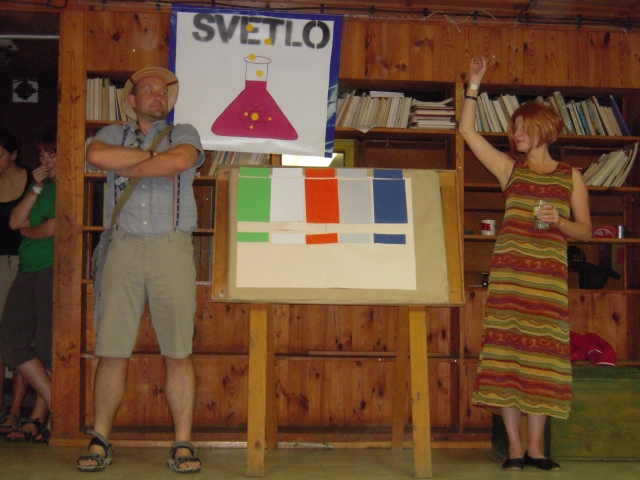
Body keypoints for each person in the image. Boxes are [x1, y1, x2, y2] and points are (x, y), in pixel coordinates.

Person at [459, 57, 592, 471]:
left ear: (544, 129)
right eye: (513, 128)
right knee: (506, 362)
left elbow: (586, 231)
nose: (515, 134)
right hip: (510, 285)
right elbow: (466, 131)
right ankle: (515, 450)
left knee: (542, 365)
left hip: (548, 288)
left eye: (522, 127)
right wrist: (474, 84)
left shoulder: (570, 176)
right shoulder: (509, 170)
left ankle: (537, 450)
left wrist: (561, 222)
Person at [78, 67, 204, 473]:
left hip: (172, 245)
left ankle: (182, 443)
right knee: (111, 349)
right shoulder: (111, 133)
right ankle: (100, 439)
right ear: (131, 101)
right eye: (148, 90)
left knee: (179, 351)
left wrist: (132, 164)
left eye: (162, 91)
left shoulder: (184, 133)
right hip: (123, 246)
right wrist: (155, 160)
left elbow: (181, 160)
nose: (157, 95)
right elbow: (97, 156)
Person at [0, 128, 58, 443]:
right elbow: (13, 221)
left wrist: (27, 231)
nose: (45, 161)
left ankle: (41, 417)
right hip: (27, 267)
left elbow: (51, 228)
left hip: (52, 268)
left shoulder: (68, 185)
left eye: (52, 154)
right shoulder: (42, 186)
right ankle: (59, 405)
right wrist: (35, 187)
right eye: (41, 154)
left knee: (48, 347)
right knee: (10, 341)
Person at [0, 129, 31, 436]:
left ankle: (16, 411)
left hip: (22, 262)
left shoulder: (32, 180)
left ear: (13, 155)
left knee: (19, 336)